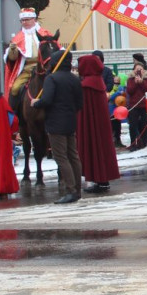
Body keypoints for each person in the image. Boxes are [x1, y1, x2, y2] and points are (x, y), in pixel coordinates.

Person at [30, 49, 83, 204]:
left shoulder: (51, 79)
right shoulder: (74, 79)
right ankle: (77, 189)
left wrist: (35, 103)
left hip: (55, 123)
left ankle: (70, 191)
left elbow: (46, 100)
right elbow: (80, 103)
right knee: (73, 155)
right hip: (70, 121)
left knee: (61, 157)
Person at [76, 54, 120, 194]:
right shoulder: (98, 82)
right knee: (101, 149)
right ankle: (102, 181)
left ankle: (100, 181)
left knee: (95, 149)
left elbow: (84, 107)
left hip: (92, 125)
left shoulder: (87, 85)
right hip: (100, 125)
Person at [3, 8, 56, 112]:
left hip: (45, 68)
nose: (24, 22)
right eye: (22, 20)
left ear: (34, 19)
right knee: (14, 89)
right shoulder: (18, 38)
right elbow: (12, 59)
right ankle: (14, 114)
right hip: (27, 70)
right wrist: (12, 50)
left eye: (27, 19)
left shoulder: (45, 33)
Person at [124, 61, 147, 151]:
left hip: (144, 106)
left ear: (143, 70)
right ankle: (134, 143)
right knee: (133, 126)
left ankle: (144, 143)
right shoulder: (130, 79)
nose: (139, 71)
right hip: (134, 106)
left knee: (144, 125)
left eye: (140, 69)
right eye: (137, 69)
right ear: (134, 70)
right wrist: (136, 82)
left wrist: (141, 82)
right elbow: (130, 91)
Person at [0, 91, 19, 199]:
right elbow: (14, 120)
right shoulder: (2, 101)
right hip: (2, 136)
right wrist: (12, 132)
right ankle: (3, 189)